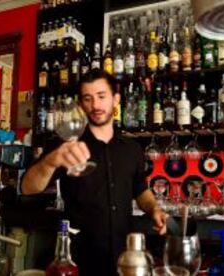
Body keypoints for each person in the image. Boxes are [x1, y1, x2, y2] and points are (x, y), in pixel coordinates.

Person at [21, 69, 167, 276]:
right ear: (81, 104)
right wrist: (50, 161)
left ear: (116, 100)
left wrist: (154, 209)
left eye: (101, 96)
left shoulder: (132, 149)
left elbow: (140, 190)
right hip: (78, 259)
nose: (96, 105)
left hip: (123, 257)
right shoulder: (65, 145)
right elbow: (28, 187)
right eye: (88, 99)